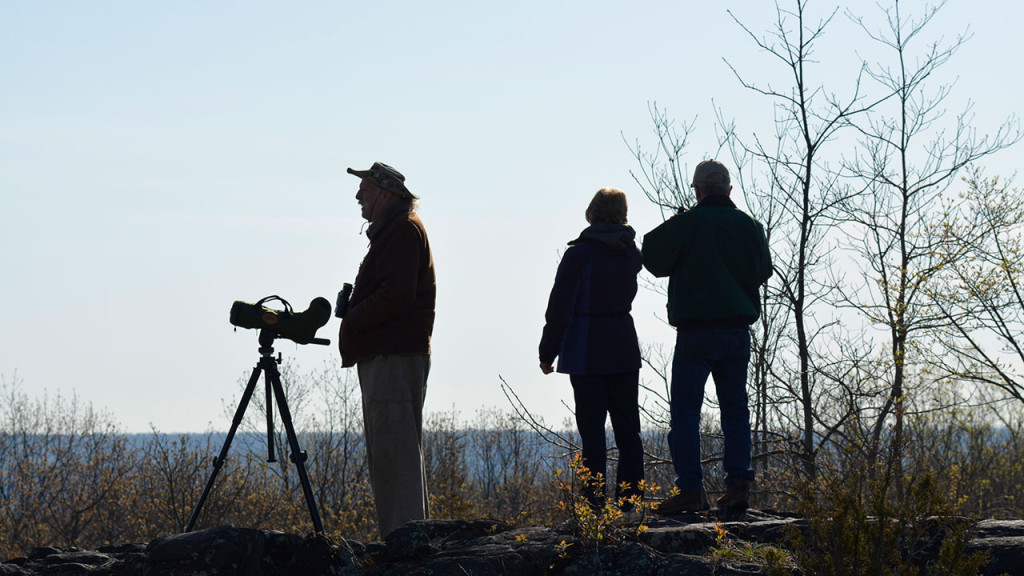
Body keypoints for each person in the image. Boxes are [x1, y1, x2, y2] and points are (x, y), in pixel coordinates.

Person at [641, 160, 772, 516]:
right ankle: (738, 486)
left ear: (698, 190)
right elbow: (763, 271)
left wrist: (681, 221)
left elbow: (651, 256)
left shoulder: (689, 224)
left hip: (696, 333)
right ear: (729, 190)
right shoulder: (751, 227)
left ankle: (691, 491)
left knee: (685, 414)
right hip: (736, 332)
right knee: (735, 412)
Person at [339, 161, 436, 537]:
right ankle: (407, 538)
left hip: (391, 356)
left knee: (394, 455)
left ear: (385, 193)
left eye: (364, 188)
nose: (358, 195)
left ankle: (404, 542)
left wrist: (355, 317)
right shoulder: (399, 229)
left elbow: (396, 294)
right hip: (391, 353)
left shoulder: (400, 230)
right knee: (396, 451)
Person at [539, 188, 645, 512]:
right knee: (628, 430)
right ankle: (630, 504)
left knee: (592, 433)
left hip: (586, 350)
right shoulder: (631, 253)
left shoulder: (579, 255)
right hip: (623, 345)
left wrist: (548, 352)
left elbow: (559, 307)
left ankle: (594, 506)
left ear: (592, 212)